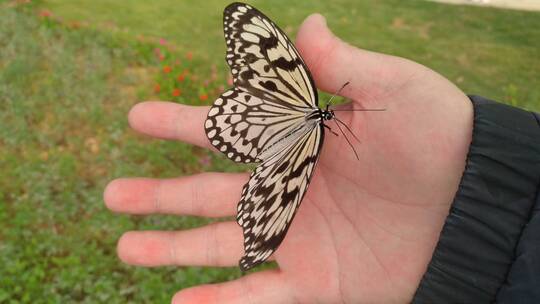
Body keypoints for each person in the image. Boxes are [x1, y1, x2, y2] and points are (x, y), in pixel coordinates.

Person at [104, 14, 540, 303]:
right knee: (285, 189)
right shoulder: (317, 132)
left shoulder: (313, 128)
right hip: (285, 137)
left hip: (268, 124)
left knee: (283, 190)